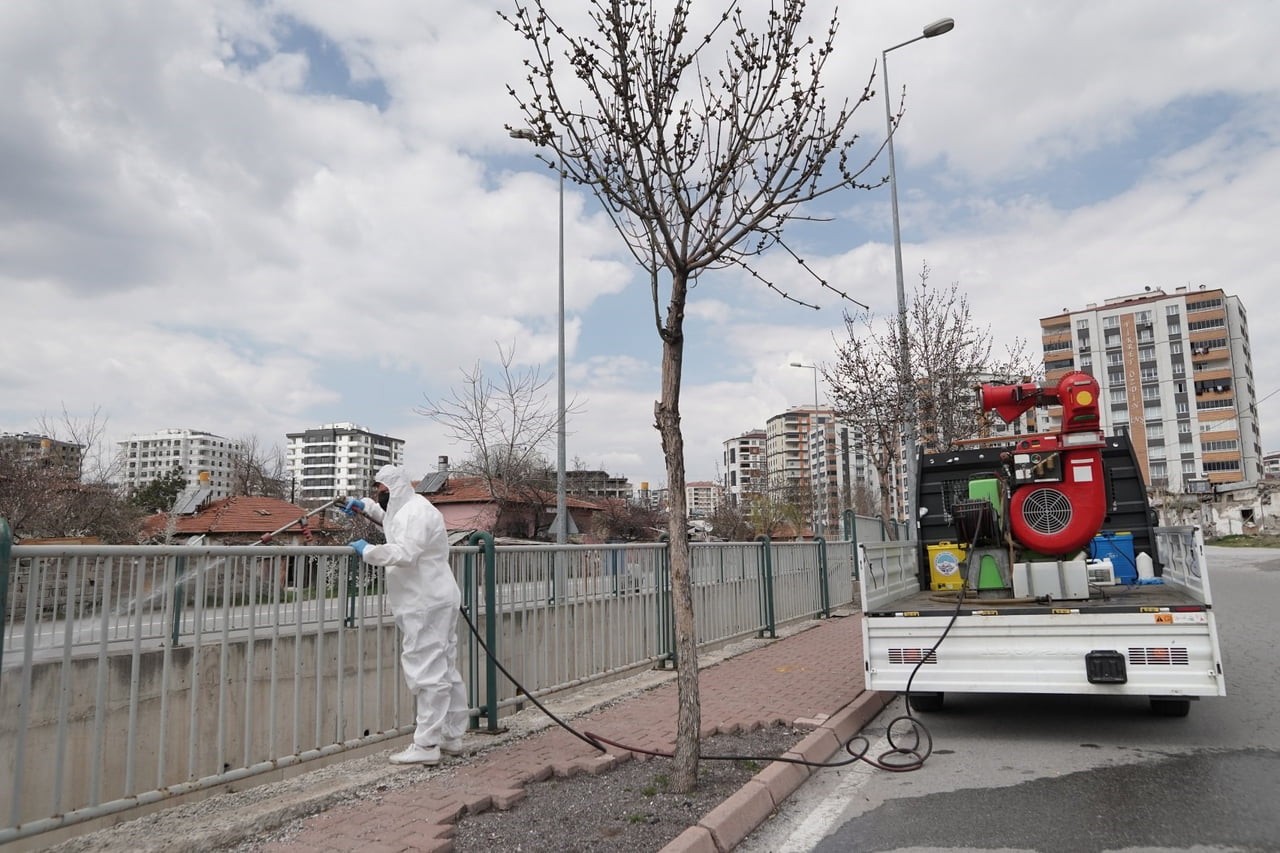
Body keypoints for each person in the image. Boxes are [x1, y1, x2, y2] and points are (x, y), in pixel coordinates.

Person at [346, 465, 469, 765]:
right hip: (429, 598)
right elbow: (392, 521)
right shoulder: (408, 508)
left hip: (425, 602)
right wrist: (366, 508)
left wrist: (368, 552)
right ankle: (451, 736)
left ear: (397, 488)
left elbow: (405, 552)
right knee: (444, 667)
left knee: (426, 669)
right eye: (378, 493)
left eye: (383, 492)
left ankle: (426, 745)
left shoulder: (417, 513)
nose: (381, 496)